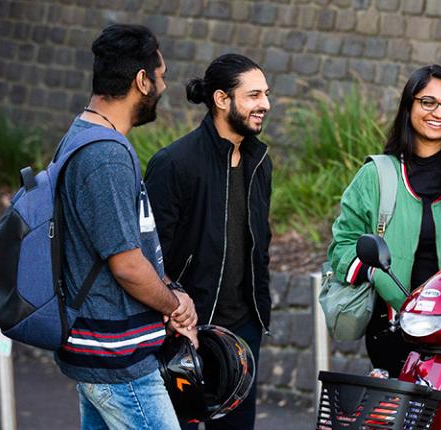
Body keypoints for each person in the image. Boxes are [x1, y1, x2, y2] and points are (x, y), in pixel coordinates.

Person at [54, 24, 198, 430]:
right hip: (118, 360)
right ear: (142, 81)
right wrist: (176, 307)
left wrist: (171, 291)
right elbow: (127, 264)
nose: (164, 85)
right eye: (162, 75)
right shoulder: (106, 155)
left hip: (101, 351)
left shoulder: (83, 135)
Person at [327, 64, 441, 379]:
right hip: (393, 328)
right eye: (428, 102)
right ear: (409, 105)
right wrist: (374, 273)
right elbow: (343, 244)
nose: (438, 112)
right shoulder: (377, 175)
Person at [144, 53, 272, 430]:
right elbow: (151, 253)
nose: (265, 104)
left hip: (241, 332)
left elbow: (258, 245)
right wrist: (171, 315)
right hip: (182, 332)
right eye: (253, 95)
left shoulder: (260, 162)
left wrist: (257, 313)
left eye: (265, 94)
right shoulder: (174, 163)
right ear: (221, 99)